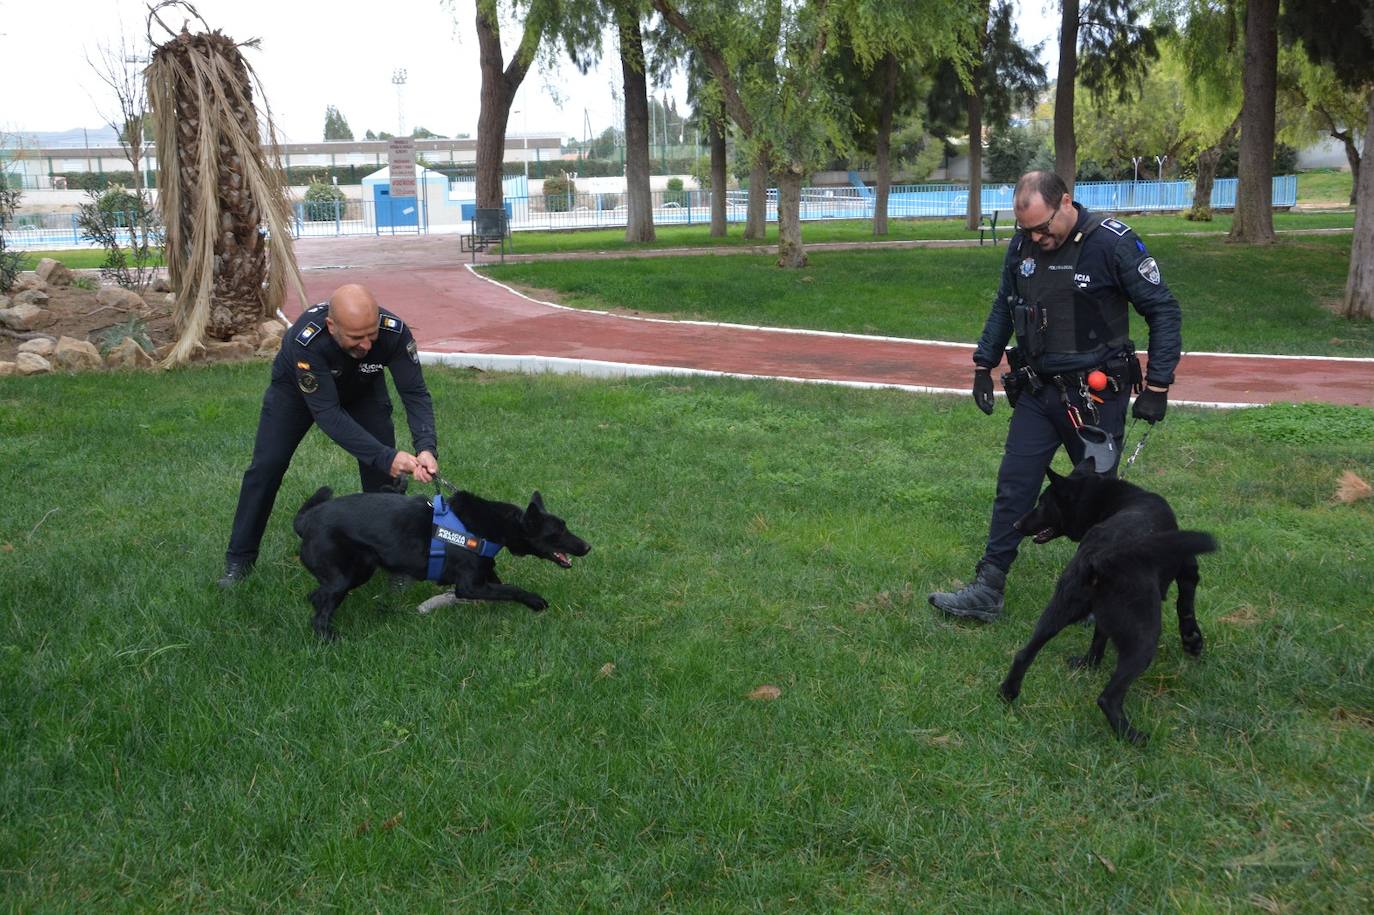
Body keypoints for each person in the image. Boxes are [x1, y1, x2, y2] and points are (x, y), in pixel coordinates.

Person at [929, 170, 1182, 622]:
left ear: (1066, 202)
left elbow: (1163, 310)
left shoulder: (1113, 243)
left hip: (1095, 397)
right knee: (1015, 485)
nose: (1036, 238)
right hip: (1038, 391)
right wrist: (983, 364)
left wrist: (1158, 385)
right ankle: (988, 587)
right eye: (1027, 229)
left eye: (1043, 227)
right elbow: (1005, 304)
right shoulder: (1022, 245)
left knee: (1095, 501)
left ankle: (1100, 593)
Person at [218, 283, 439, 586]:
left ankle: (396, 559)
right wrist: (385, 456)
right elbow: (328, 414)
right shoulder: (307, 340)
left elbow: (414, 393)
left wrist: (426, 447)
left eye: (371, 334)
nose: (366, 345)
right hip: (295, 394)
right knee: (266, 467)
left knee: (382, 478)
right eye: (356, 338)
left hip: (362, 388)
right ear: (332, 326)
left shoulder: (394, 332)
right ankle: (239, 559)